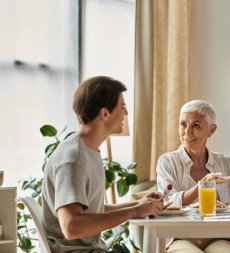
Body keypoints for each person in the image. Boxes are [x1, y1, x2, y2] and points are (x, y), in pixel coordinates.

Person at [42, 76, 164, 253]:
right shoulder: (73, 158)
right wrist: (133, 212)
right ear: (105, 113)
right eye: (122, 107)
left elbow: (93, 209)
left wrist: (137, 206)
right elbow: (71, 227)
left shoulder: (87, 151)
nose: (126, 113)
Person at [156, 100, 230, 253]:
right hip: (181, 237)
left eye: (196, 125)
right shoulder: (167, 162)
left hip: (221, 237)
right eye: (183, 124)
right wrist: (202, 185)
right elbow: (166, 201)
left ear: (211, 130)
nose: (187, 132)